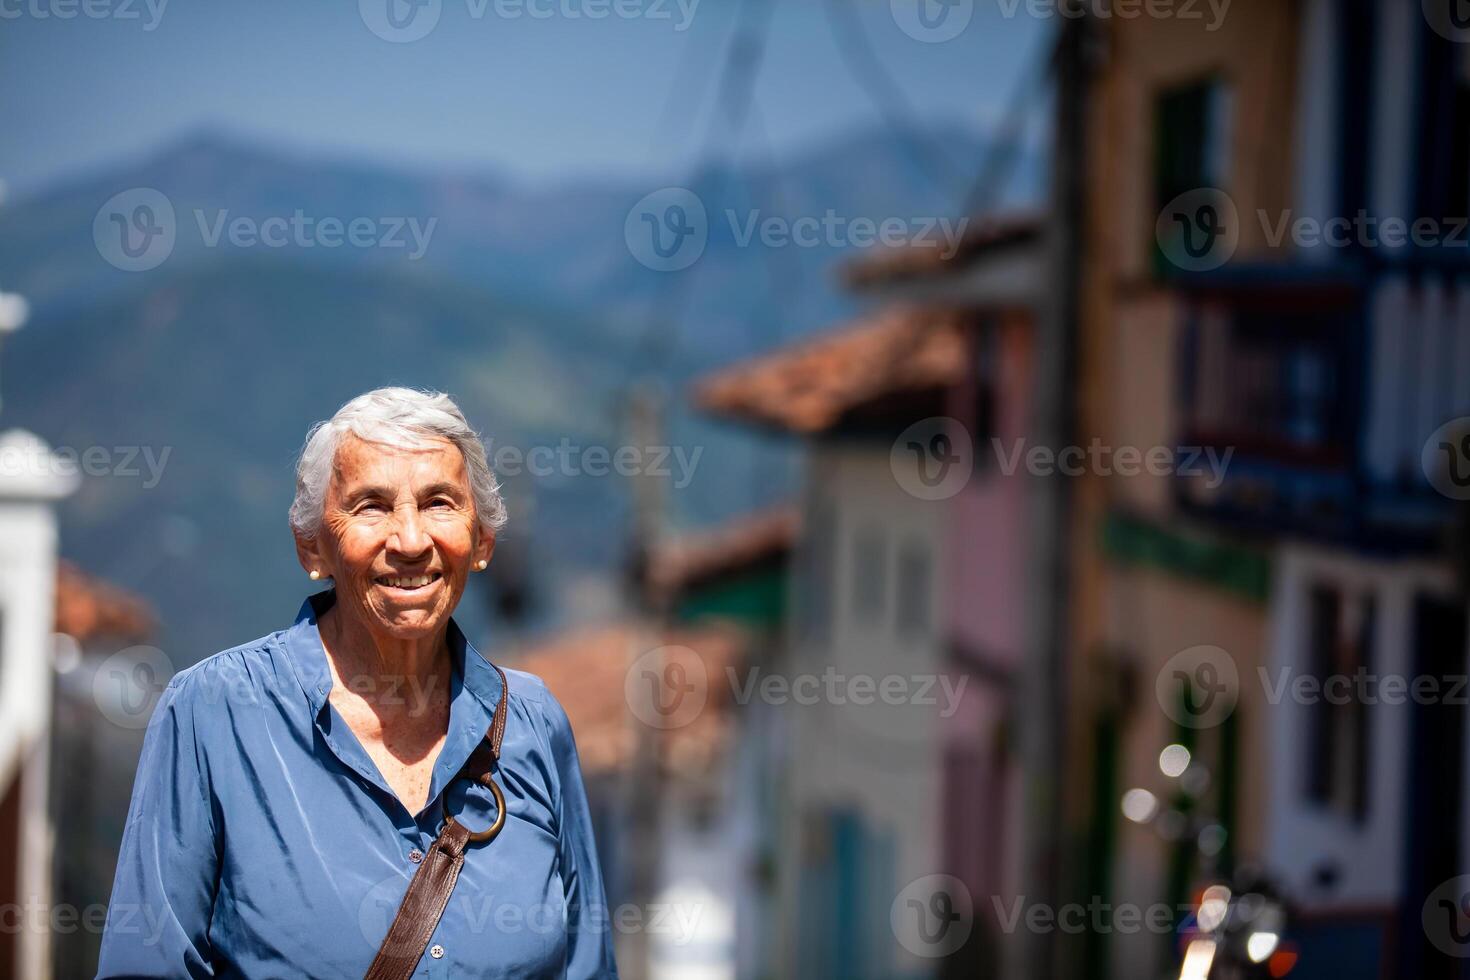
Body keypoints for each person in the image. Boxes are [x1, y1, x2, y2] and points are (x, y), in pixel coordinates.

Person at [98, 387, 618, 978]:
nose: (411, 541)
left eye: (439, 503)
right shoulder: (213, 713)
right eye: (371, 506)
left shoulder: (533, 723)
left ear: (482, 542)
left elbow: (588, 966)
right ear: (311, 546)